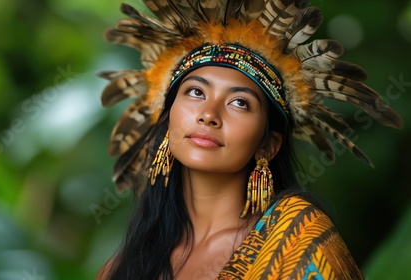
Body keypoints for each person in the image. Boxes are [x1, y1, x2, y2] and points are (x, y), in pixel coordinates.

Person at [96, 0, 402, 279]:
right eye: (195, 92)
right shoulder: (122, 267)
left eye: (240, 103)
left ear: (269, 145)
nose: (209, 114)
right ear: (166, 121)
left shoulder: (300, 241)